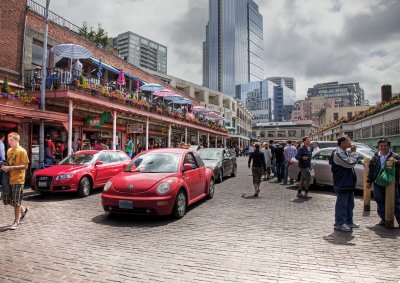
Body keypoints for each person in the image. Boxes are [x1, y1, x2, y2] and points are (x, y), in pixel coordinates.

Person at [366, 138, 400, 227]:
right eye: (381, 146)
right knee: (379, 199)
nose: (383, 147)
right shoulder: (375, 156)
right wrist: (369, 181)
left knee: (396, 201)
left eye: (385, 146)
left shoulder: (395, 156)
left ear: (389, 146)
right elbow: (371, 170)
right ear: (378, 147)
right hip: (378, 182)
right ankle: (383, 218)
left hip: (392, 183)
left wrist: (396, 162)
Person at [329, 136, 359, 232]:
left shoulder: (344, 152)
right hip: (342, 182)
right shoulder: (338, 153)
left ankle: (348, 221)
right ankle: (339, 223)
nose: (350, 143)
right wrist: (354, 153)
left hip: (348, 181)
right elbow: (349, 163)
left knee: (350, 204)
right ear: (342, 143)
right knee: (342, 204)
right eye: (348, 141)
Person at [1, 132, 29, 230]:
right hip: (9, 179)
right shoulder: (9, 151)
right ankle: (23, 209)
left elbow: (25, 166)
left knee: (16, 201)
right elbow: (9, 163)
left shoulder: (22, 151)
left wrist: (11, 167)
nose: (9, 142)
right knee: (7, 199)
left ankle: (16, 221)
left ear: (17, 140)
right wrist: (4, 166)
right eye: (8, 140)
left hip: (18, 179)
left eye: (11, 140)